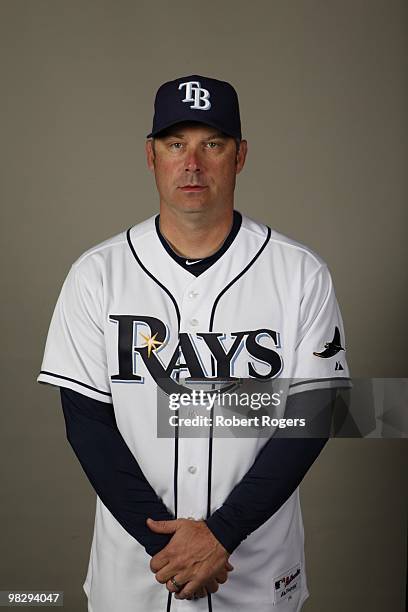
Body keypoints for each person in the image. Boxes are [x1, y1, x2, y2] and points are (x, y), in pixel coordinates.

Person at [37, 75, 351, 611]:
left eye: (213, 143)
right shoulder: (98, 274)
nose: (192, 163)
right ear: (150, 155)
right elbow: (87, 423)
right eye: (175, 143)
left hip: (254, 567)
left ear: (240, 155)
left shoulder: (300, 273)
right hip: (137, 570)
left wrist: (221, 534)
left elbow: (315, 416)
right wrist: (169, 549)